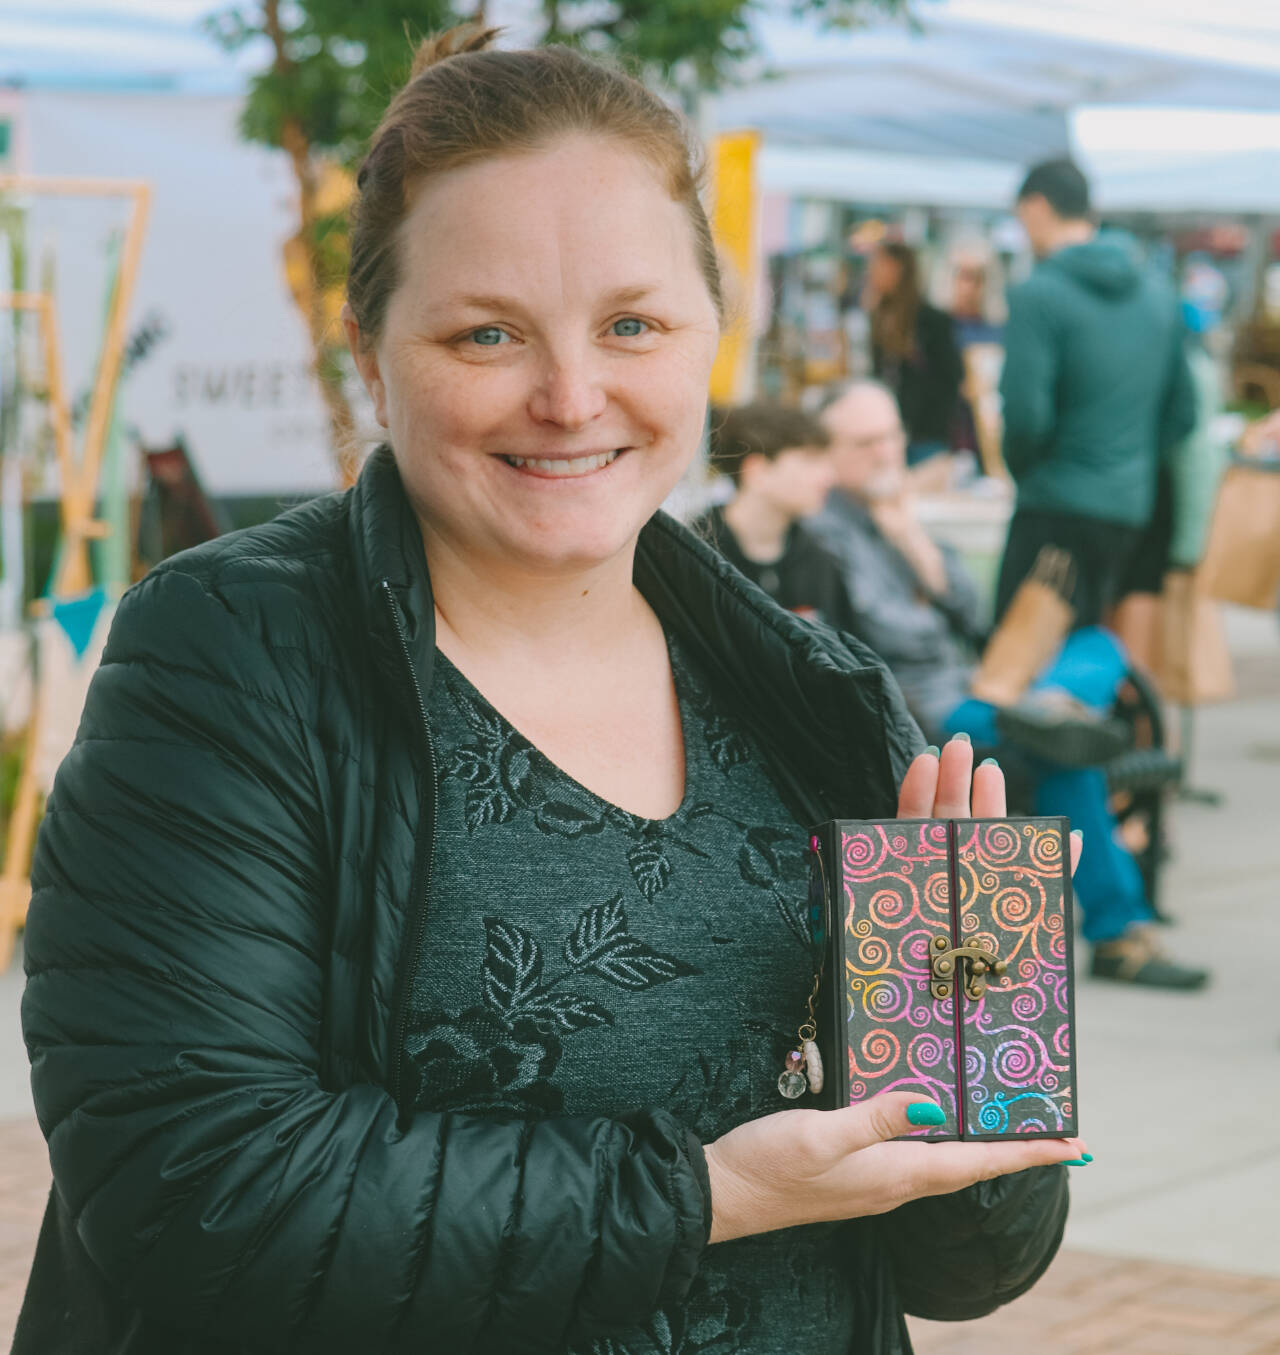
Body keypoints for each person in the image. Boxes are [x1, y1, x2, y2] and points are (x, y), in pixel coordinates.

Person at [15, 29, 1088, 1355]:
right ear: (372, 350)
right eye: (486, 334)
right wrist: (712, 1192)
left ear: (712, 330)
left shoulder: (823, 695)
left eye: (631, 323)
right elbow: (199, 1191)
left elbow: (980, 1258)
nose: (571, 396)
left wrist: (964, 1008)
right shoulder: (227, 648)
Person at [813, 381, 1209, 992]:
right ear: (827, 453)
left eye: (892, 436)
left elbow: (975, 619)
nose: (887, 453)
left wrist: (914, 542)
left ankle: (1052, 708)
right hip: (925, 711)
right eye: (865, 443)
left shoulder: (900, 520)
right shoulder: (823, 535)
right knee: (1062, 757)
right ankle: (1117, 931)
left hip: (987, 688)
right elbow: (885, 635)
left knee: (1097, 647)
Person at [996, 158, 1197, 628]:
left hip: (1054, 503)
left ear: (1037, 206)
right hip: (1130, 508)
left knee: (1017, 662)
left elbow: (1025, 416)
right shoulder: (1158, 294)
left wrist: (1028, 469)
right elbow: (1183, 413)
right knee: (1087, 652)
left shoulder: (1038, 294)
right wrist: (1129, 461)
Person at [697, 403, 853, 628]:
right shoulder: (697, 555)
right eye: (811, 459)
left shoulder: (821, 561)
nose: (829, 477)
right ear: (757, 470)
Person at [864, 240, 965, 465]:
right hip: (888, 431)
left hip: (925, 435)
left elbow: (951, 376)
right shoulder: (879, 316)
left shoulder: (931, 320)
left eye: (879, 266)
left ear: (898, 269)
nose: (872, 273)